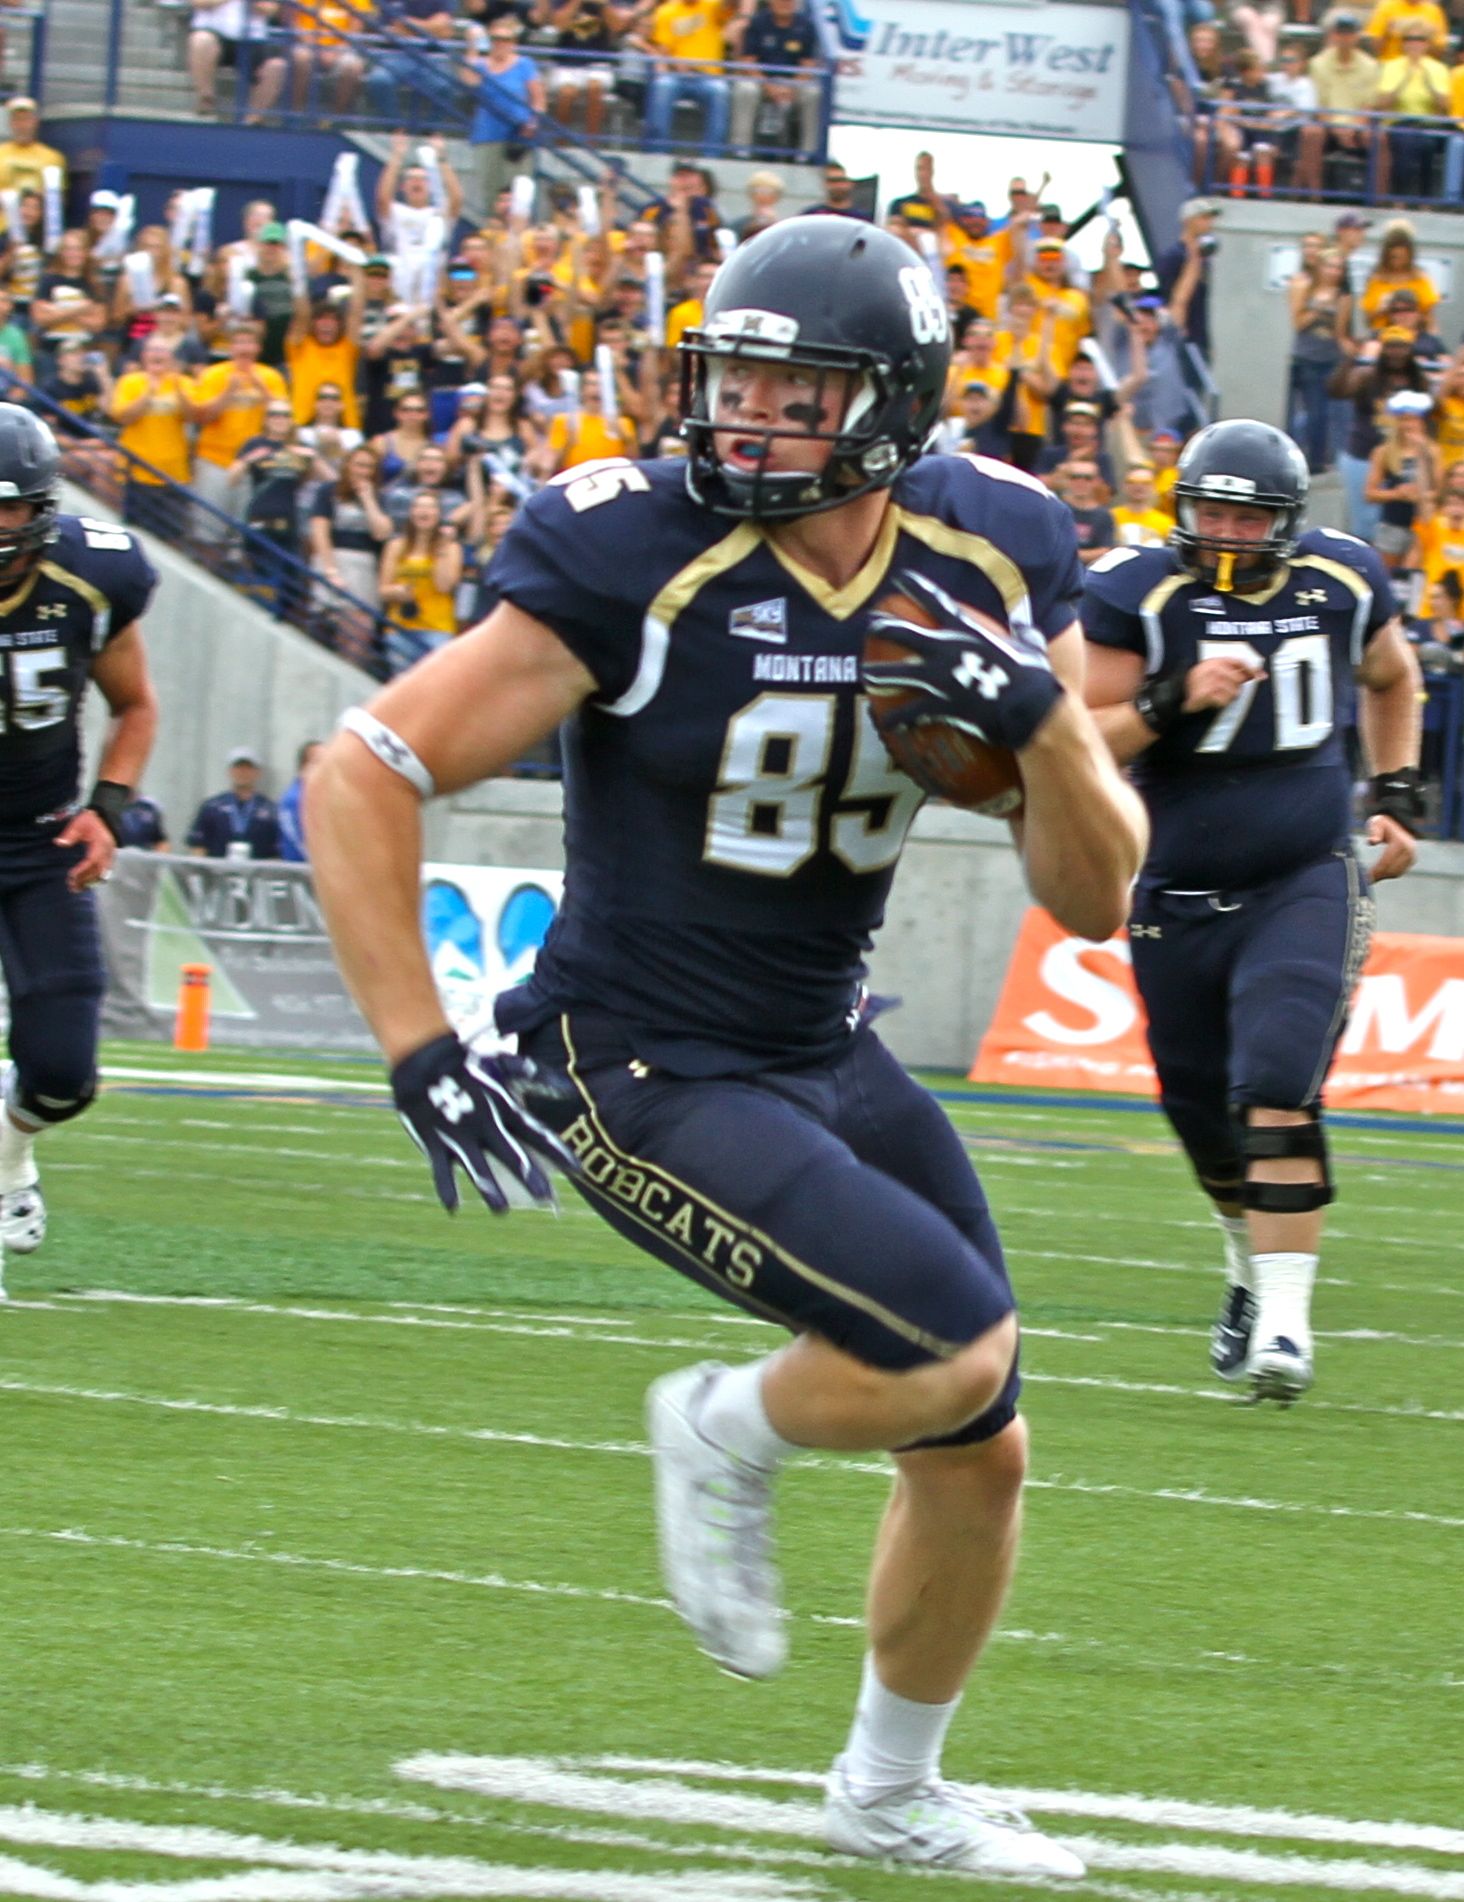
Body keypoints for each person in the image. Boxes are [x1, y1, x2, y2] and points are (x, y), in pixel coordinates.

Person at [306, 216, 1144, 1878]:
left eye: (791, 386)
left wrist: (1046, 728)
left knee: (980, 1441)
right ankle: (721, 1426)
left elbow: (1093, 893)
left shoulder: (993, 545)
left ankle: (886, 1793)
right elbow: (363, 766)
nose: (744, 415)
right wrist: (415, 1043)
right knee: (950, 1347)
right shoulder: (635, 547)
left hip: (824, 1040)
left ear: (891, 404)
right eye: (731, 376)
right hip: (634, 1058)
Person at [1080, 419, 1422, 1405]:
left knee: (1277, 1078)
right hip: (1176, 889)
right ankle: (1243, 1257)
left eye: (1248, 516)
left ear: (1287, 522)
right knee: (1198, 1111)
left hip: (1304, 873)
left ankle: (1283, 1326)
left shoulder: (1342, 578)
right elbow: (1080, 736)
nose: (1227, 532)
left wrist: (1397, 793)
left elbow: (1394, 675)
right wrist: (1172, 698)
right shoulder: (1138, 591)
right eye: (1211, 512)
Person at [0, 405, 160, 1295]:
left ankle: (8, 1154)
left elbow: (135, 705)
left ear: (42, 507)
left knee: (63, 1076)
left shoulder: (92, 579)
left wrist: (107, 810)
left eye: (9, 508)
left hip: (39, 839)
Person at [186, 746, 281, 858]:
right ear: (230, 771)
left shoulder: (270, 809)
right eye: (238, 768)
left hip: (257, 868)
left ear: (258, 772)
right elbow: (198, 846)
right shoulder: (211, 807)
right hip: (217, 868)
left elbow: (276, 852)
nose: (243, 772)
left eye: (248, 768)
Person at [278, 738, 324, 862]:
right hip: (300, 869)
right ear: (303, 767)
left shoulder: (317, 796)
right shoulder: (294, 800)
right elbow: (297, 843)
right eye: (317, 762)